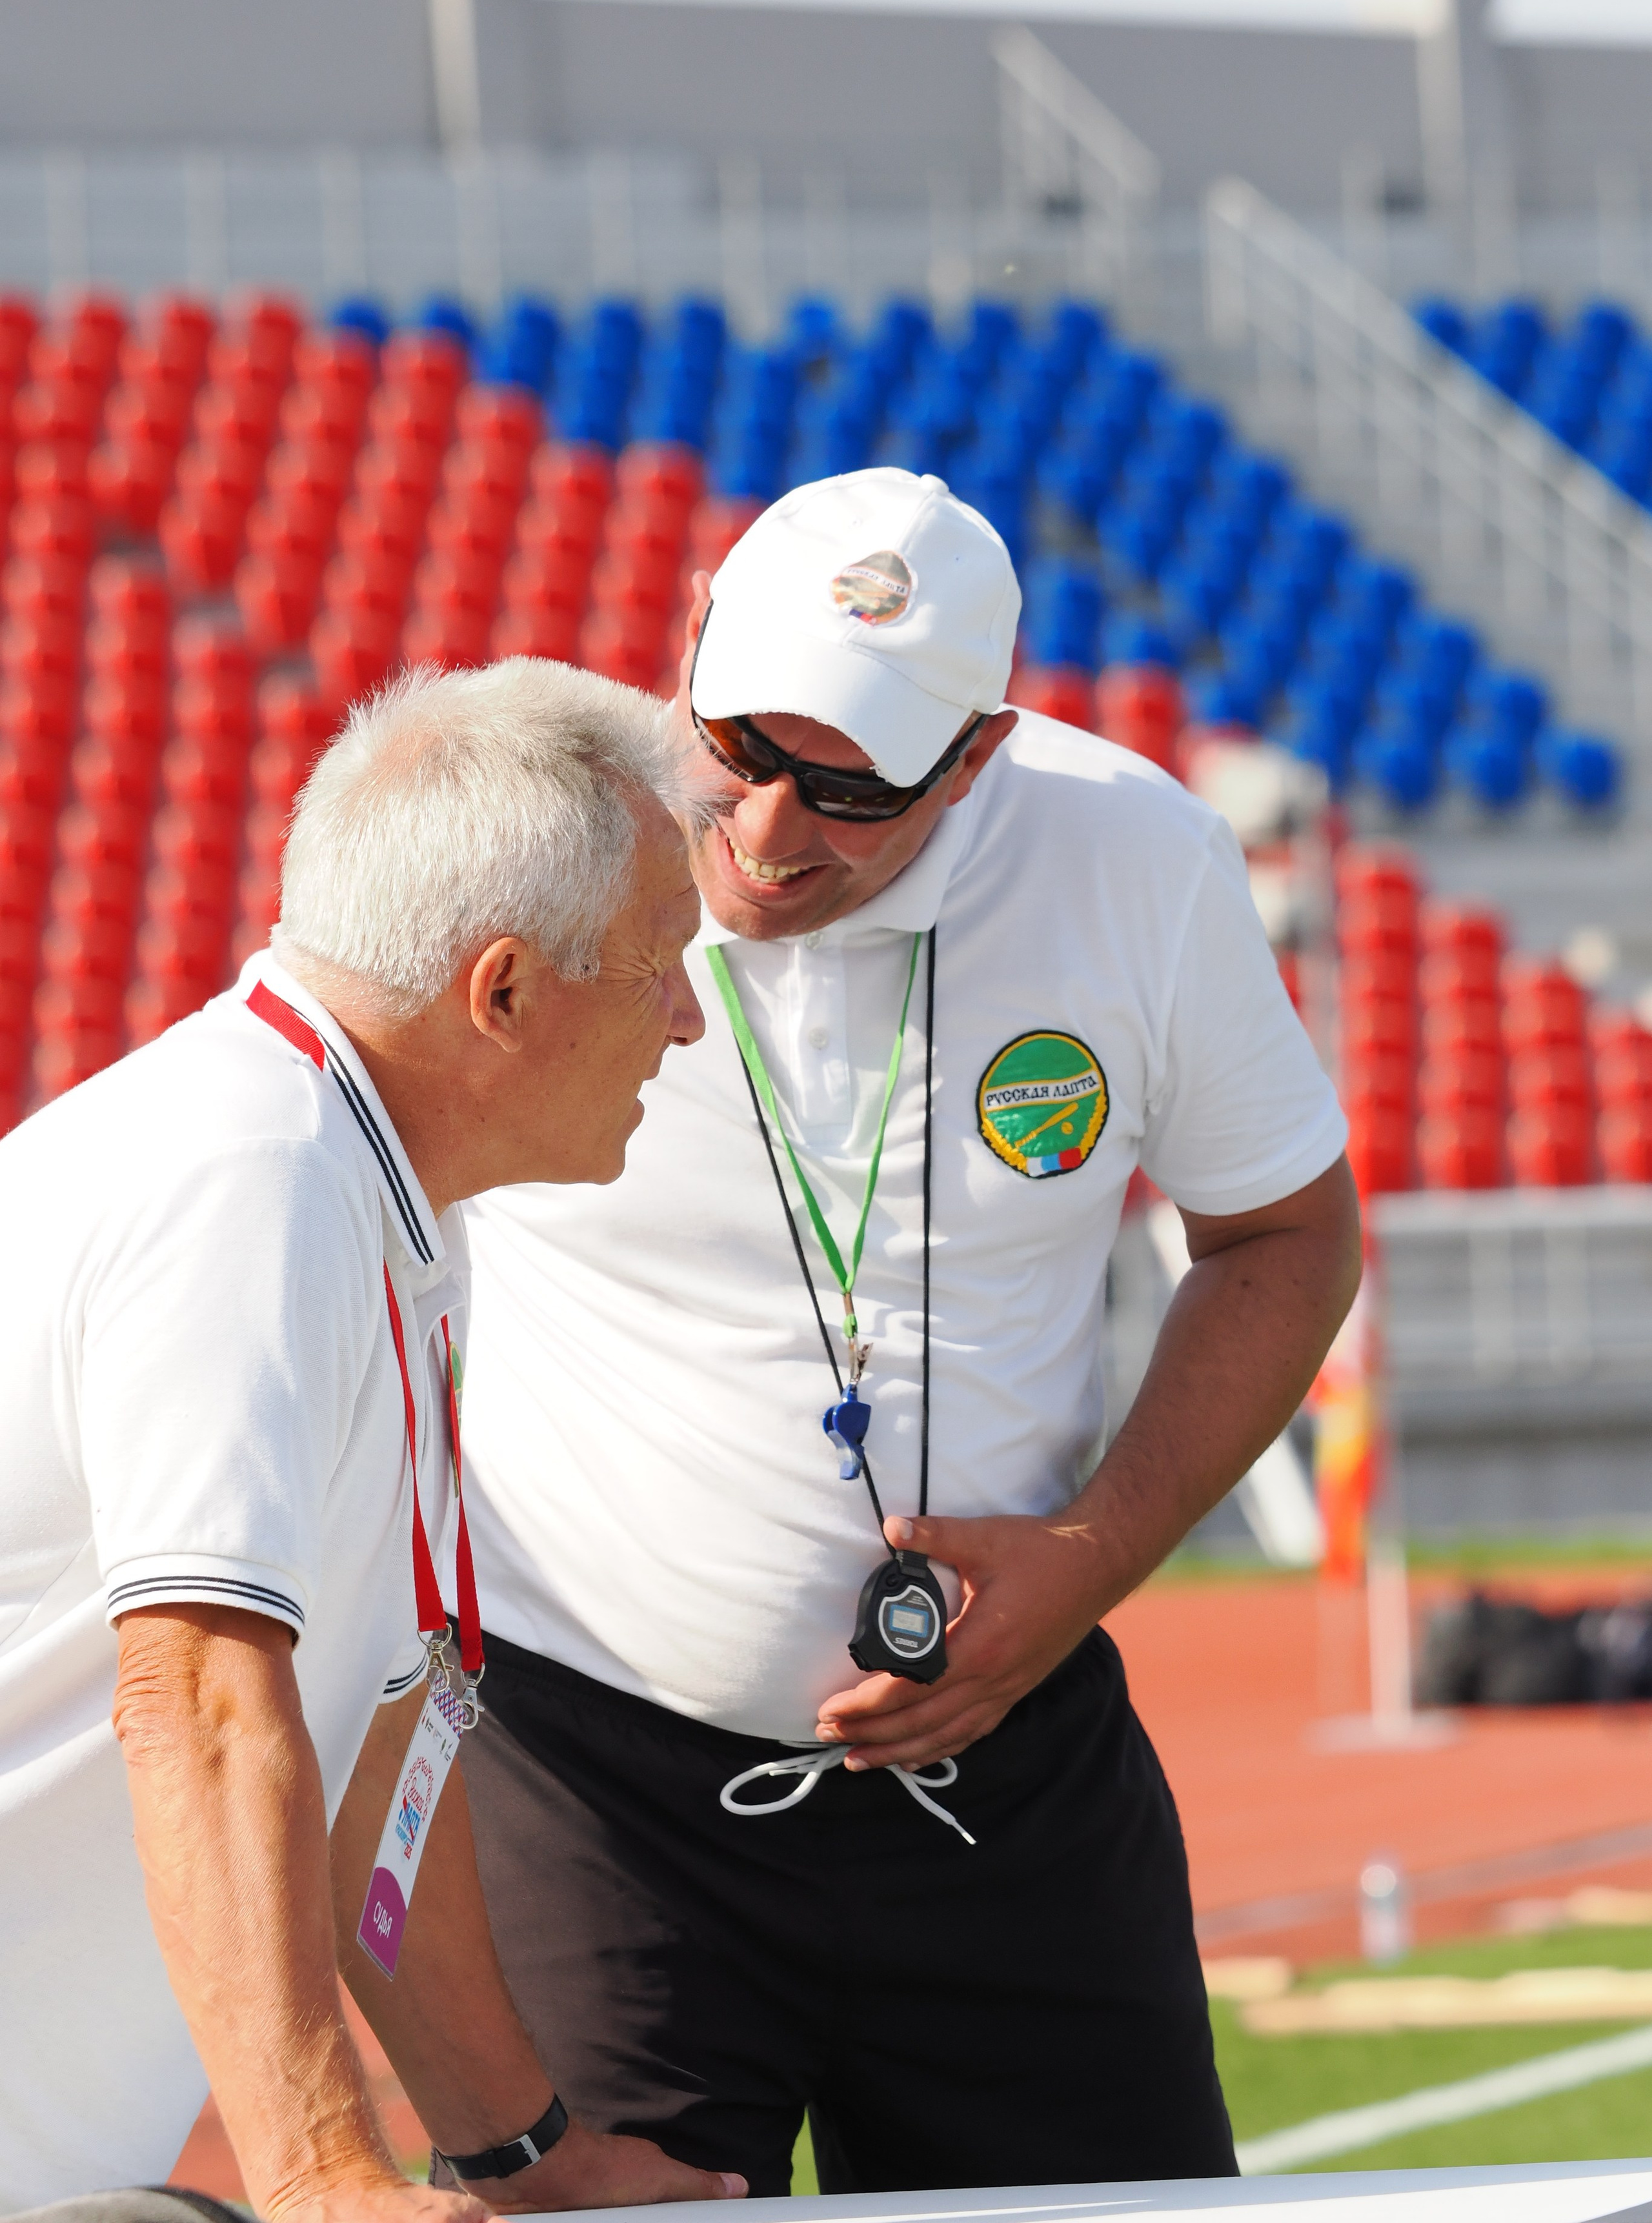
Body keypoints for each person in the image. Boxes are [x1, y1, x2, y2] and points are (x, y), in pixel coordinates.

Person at [456, 467, 1361, 2195]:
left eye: (857, 785)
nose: (775, 828)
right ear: (694, 632)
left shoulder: (1139, 860)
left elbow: (1287, 1238)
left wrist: (1083, 1562)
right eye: (744, 747)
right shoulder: (517, 846)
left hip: (1006, 1782)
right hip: (587, 1791)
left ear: (980, 751)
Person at [0, 659, 744, 2219]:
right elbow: (199, 1695)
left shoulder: (362, 1175)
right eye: (659, 963)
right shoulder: (248, 1183)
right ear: (506, 992)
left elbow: (374, 1744)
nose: (687, 1020)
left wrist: (517, 2153)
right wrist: (319, 2174)